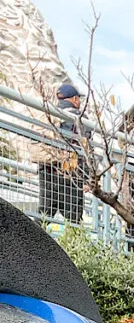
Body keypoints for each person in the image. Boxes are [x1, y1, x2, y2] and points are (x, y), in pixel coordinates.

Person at [35, 83, 89, 224]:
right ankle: (73, 245)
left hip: (47, 169)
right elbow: (86, 150)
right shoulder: (78, 118)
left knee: (45, 212)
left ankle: (29, 244)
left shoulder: (50, 114)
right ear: (75, 99)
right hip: (70, 173)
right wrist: (88, 178)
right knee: (74, 217)